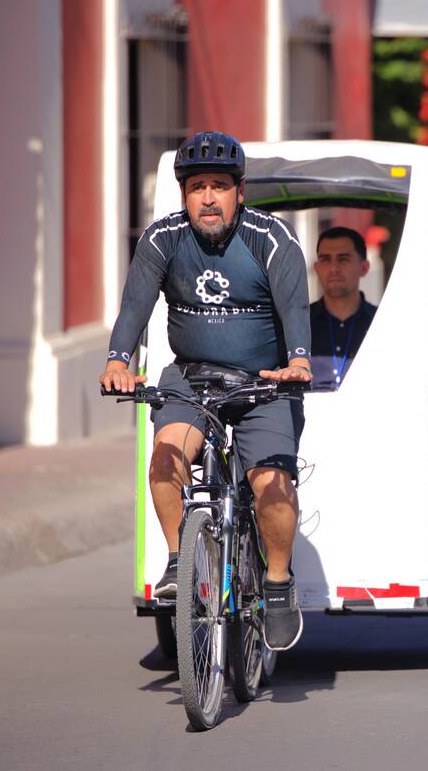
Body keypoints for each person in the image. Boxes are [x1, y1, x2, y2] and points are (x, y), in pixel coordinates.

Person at [99, 130, 311, 651]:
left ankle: (279, 583)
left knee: (271, 485)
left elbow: (294, 313)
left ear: (240, 191)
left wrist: (299, 362)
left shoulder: (272, 239)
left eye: (220, 186)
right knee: (166, 457)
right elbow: (134, 309)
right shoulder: (162, 239)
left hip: (264, 383)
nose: (209, 197)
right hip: (192, 377)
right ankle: (180, 561)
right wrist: (116, 360)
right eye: (198, 187)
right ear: (184, 196)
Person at [309, 226, 377, 389]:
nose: (334, 269)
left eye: (343, 259)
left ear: (364, 268)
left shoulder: (382, 322)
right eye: (325, 259)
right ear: (316, 268)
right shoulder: (297, 324)